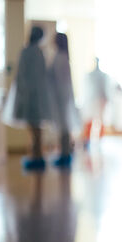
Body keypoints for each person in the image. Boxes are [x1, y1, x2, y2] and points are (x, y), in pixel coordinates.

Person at [14, 26, 51, 170]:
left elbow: (21, 75)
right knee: (36, 127)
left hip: (29, 96)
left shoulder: (26, 52)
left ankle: (37, 156)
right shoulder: (39, 52)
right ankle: (37, 155)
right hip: (37, 96)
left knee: (34, 127)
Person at [48, 33, 80, 167]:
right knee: (63, 127)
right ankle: (64, 153)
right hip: (61, 98)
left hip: (61, 98)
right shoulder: (61, 57)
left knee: (64, 127)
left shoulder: (60, 58)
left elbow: (60, 81)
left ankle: (65, 154)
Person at [82, 58, 111, 146]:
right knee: (89, 120)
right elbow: (86, 89)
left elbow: (105, 88)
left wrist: (106, 99)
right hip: (91, 100)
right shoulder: (90, 75)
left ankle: (101, 140)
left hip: (101, 100)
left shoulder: (103, 75)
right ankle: (87, 141)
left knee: (101, 121)